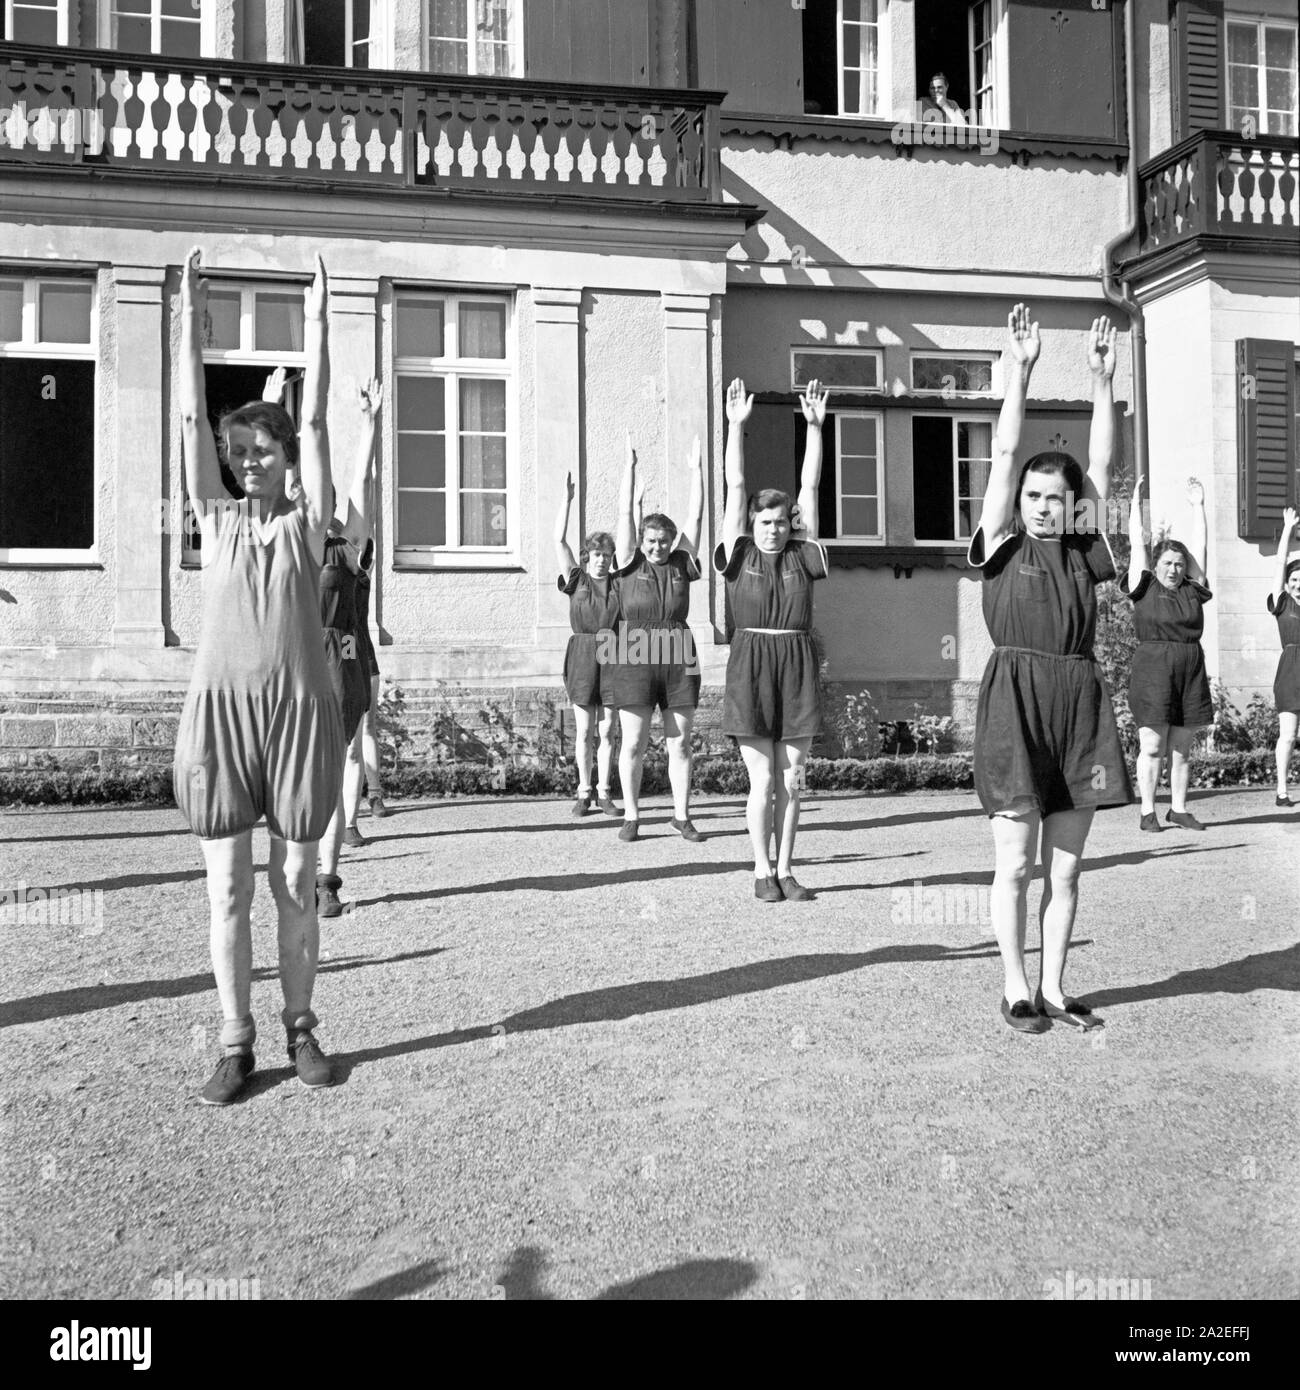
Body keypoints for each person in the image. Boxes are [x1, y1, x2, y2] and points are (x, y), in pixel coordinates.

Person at [172, 248, 340, 1105]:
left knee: (295, 880)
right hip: (222, 716)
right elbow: (188, 420)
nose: (250, 461)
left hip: (298, 716)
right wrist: (191, 325)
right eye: (240, 451)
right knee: (228, 889)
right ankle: (235, 1043)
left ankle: (300, 1027)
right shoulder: (215, 519)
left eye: (262, 448)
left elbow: (315, 432)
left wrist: (316, 324)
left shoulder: (308, 529)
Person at [967, 303, 1133, 1034]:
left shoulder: (1080, 550)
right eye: (1031, 497)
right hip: (1015, 700)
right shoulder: (1000, 543)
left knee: (1065, 869)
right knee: (1017, 863)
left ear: (1069, 509)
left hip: (1078, 699)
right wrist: (1021, 374)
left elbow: (1100, 468)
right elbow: (1003, 457)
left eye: (1051, 499)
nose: (1039, 507)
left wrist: (1102, 385)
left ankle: (1058, 989)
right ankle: (1015, 987)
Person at [716, 377, 830, 902]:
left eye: (781, 522)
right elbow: (735, 489)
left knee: (793, 780)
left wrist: (813, 428)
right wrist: (736, 430)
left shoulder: (804, 555)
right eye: (765, 522)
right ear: (752, 523)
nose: (773, 530)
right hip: (751, 664)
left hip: (797, 664)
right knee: (761, 781)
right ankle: (760, 870)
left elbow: (811, 490)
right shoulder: (737, 553)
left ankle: (786, 869)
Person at [608, 434, 706, 842]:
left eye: (663, 541)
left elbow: (696, 519)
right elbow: (624, 517)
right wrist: (629, 471)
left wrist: (697, 472)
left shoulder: (683, 560)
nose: (658, 547)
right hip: (633, 653)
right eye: (651, 541)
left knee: (679, 742)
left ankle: (681, 816)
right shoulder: (628, 562)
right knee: (632, 742)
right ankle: (632, 815)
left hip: (679, 653)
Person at [316, 380, 381, 914]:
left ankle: (326, 880)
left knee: (335, 770)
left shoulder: (344, 546)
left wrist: (369, 426)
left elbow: (362, 484)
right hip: (288, 665)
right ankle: (293, 869)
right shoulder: (279, 540)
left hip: (338, 664)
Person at [1124, 479, 1213, 832]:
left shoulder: (1194, 590)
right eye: (1167, 562)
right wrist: (1134, 504)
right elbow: (1136, 543)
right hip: (1153, 670)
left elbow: (1202, 547)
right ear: (1156, 564)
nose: (1174, 569)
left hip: (1190, 670)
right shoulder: (1143, 586)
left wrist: (1198, 506)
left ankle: (1178, 808)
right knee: (1152, 745)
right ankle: (1148, 811)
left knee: (1182, 748)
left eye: (1179, 563)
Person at [555, 472, 620, 817]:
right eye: (596, 553)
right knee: (584, 730)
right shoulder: (576, 578)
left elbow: (632, 542)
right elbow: (558, 541)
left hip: (612, 655)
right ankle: (583, 791)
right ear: (586, 556)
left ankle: (605, 792)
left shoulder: (619, 584)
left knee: (607, 729)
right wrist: (566, 501)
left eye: (606, 554)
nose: (601, 559)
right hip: (581, 655)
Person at [1268, 506, 1300, 806]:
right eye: (1294, 581)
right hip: (1290, 673)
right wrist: (1288, 530)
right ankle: (1281, 790)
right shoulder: (1282, 604)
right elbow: (1279, 566)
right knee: (1288, 736)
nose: (1298, 585)